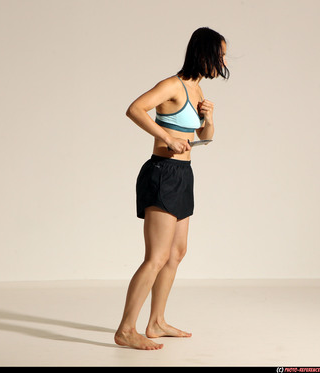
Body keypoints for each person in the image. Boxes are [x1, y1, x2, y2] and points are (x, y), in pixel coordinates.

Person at [114, 27, 229, 350]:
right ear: (203, 53)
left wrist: (208, 118)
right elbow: (135, 108)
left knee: (177, 253)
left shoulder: (197, 89)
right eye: (218, 54)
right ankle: (125, 329)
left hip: (183, 173)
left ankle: (156, 322)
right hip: (162, 172)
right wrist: (166, 138)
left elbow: (204, 138)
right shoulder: (171, 85)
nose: (221, 61)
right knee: (157, 256)